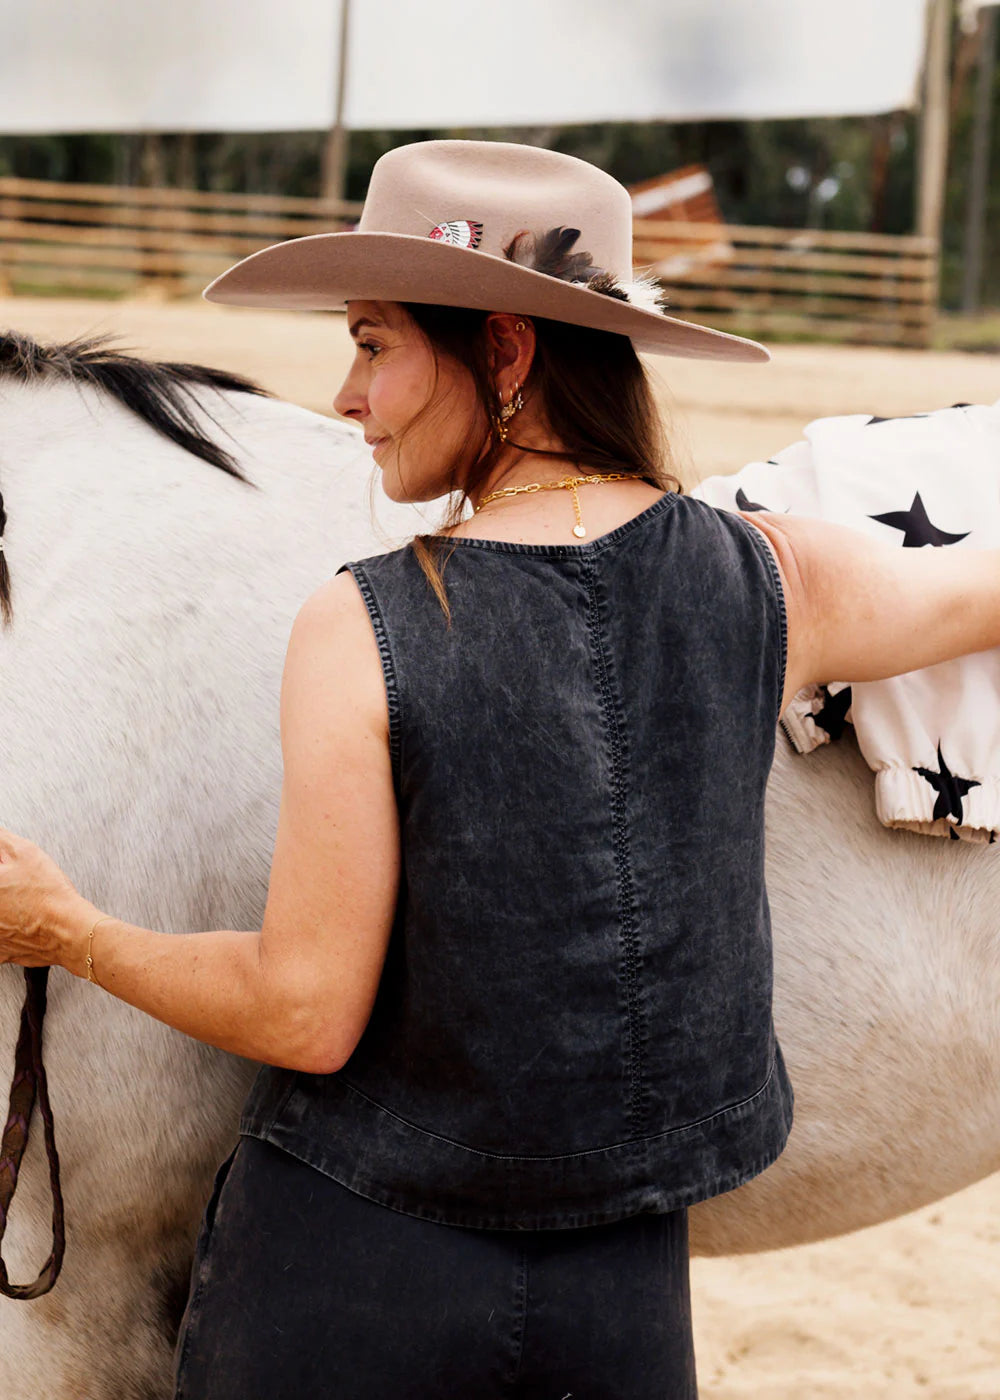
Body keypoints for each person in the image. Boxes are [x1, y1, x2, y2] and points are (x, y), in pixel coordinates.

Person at [0, 139, 996, 1399]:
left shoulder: (365, 626)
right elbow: (981, 586)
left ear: (505, 355)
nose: (346, 396)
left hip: (351, 1294)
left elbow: (302, 1009)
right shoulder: (772, 581)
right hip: (620, 1321)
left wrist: (73, 930)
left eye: (372, 343)